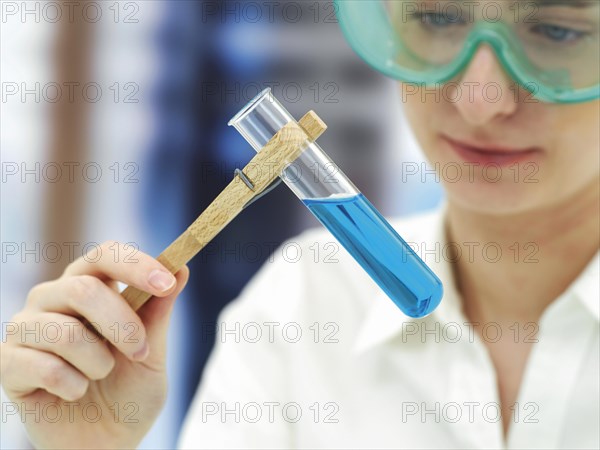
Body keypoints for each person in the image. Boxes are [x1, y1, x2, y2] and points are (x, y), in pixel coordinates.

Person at [2, 1, 598, 448]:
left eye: (557, 31)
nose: (481, 98)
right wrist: (93, 444)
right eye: (438, 17)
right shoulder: (302, 304)